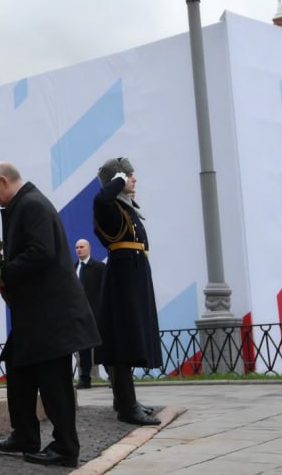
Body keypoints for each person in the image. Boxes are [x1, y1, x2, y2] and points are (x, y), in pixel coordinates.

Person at [0, 162, 101, 468]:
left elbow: (41, 251)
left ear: (4, 181)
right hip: (36, 313)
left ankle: (65, 448)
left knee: (53, 381)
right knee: (19, 369)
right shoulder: (25, 204)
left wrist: (5, 274)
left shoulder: (32, 205)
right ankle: (24, 434)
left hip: (51, 314)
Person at [93, 157, 163, 426]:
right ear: (116, 181)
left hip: (133, 274)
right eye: (128, 176)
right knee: (122, 342)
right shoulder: (108, 207)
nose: (134, 179)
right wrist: (118, 180)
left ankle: (126, 400)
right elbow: (100, 201)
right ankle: (126, 406)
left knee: (130, 339)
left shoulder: (125, 207)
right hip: (123, 277)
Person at [74, 238, 106, 388]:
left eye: (82, 247)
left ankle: (112, 376)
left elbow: (105, 290)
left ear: (89, 249)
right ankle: (85, 378)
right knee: (83, 348)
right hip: (80, 314)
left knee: (102, 345)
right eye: (77, 247)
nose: (79, 250)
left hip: (97, 313)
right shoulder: (73, 268)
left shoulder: (99, 267)